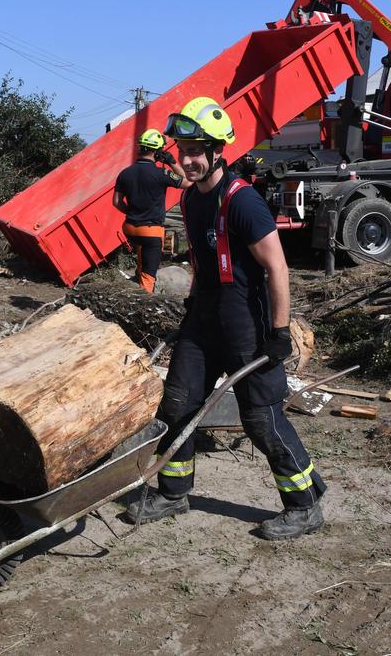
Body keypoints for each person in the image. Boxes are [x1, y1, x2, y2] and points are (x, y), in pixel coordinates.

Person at [125, 97, 325, 540]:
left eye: (198, 151)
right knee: (178, 404)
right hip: (205, 319)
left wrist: (277, 332)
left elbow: (277, 268)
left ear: (219, 151)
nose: (189, 160)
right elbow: (202, 260)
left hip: (246, 324)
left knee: (261, 418)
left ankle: (304, 504)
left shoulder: (242, 202)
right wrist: (194, 304)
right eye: (183, 150)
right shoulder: (191, 201)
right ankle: (174, 493)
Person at [113, 129, 185, 293]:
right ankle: (144, 298)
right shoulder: (162, 173)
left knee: (141, 250)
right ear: (158, 151)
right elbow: (187, 182)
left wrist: (132, 212)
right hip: (151, 231)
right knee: (149, 276)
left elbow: (116, 202)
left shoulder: (125, 173)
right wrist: (172, 162)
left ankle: (138, 274)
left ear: (140, 148)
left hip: (130, 227)